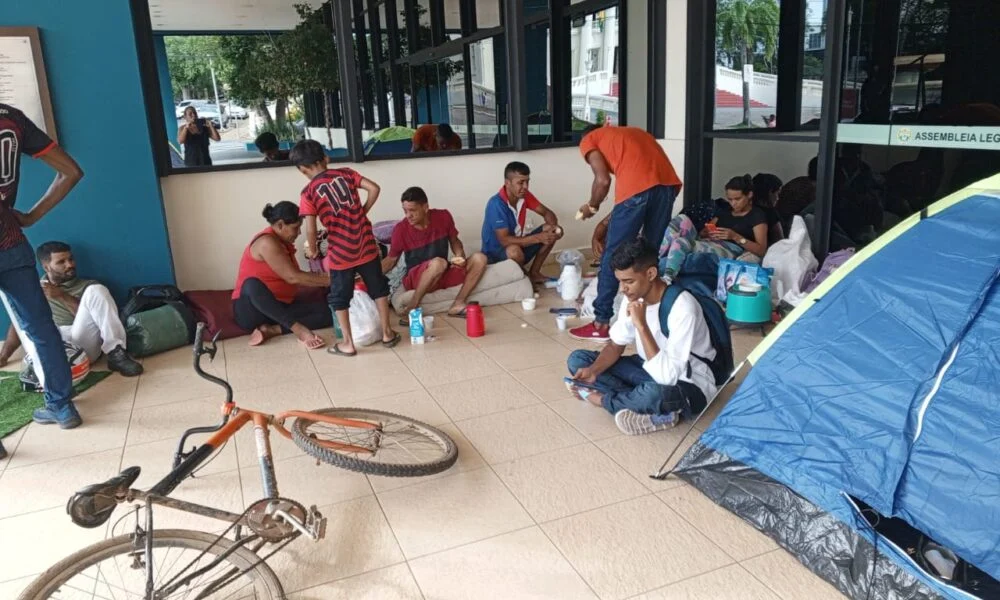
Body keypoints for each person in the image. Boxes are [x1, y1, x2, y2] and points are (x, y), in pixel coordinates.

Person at [565, 239, 717, 436]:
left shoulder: (682, 307)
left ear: (651, 274)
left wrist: (641, 325)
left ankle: (610, 400)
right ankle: (640, 406)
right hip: (648, 369)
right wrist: (594, 371)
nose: (623, 289)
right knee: (579, 360)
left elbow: (667, 376)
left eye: (629, 281)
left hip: (687, 383)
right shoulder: (633, 297)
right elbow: (615, 345)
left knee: (653, 393)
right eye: (620, 281)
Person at [0, 103, 84, 433]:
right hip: (10, 243)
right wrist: (32, 216)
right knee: (41, 329)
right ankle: (62, 407)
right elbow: (71, 172)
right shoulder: (10, 118)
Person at [570, 125, 682, 342]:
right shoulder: (632, 133)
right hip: (667, 187)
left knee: (612, 255)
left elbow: (603, 181)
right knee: (649, 254)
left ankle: (601, 323)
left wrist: (591, 206)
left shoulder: (589, 140)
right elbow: (643, 185)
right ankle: (653, 315)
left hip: (638, 191)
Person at [291, 140, 399, 357]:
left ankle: (348, 343)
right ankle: (387, 332)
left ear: (303, 170)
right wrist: (363, 211)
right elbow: (374, 188)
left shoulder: (308, 192)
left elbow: (311, 228)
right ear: (326, 159)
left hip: (341, 252)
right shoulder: (347, 173)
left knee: (340, 297)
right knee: (378, 287)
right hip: (365, 244)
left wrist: (312, 249)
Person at [0, 241, 142, 378]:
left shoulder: (87, 287)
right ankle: (44, 370)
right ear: (46, 267)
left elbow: (92, 322)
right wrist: (4, 355)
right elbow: (19, 323)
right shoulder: (36, 288)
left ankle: (116, 354)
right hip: (54, 343)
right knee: (21, 307)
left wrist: (61, 295)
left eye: (71, 259)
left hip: (82, 341)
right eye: (61, 262)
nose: (70, 265)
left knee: (97, 290)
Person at [233, 202, 332, 349]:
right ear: (280, 225)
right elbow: (292, 277)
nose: (299, 233)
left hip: (280, 309)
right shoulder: (266, 242)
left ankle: (272, 330)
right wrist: (333, 280)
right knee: (251, 284)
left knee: (328, 312)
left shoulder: (282, 242)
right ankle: (299, 329)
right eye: (295, 228)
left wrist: (328, 278)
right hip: (252, 311)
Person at [382, 187, 488, 319]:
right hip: (416, 278)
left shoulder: (443, 216)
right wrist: (369, 278)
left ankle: (458, 303)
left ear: (425, 207)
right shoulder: (401, 229)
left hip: (442, 273)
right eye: (405, 211)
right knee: (439, 262)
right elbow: (390, 260)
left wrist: (459, 255)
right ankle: (413, 306)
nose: (408, 215)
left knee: (480, 258)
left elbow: (455, 241)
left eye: (412, 210)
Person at [480, 162, 563, 284]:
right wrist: (537, 238)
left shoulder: (524, 195)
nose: (525, 187)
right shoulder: (496, 204)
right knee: (514, 250)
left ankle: (534, 273)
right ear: (508, 183)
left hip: (518, 246)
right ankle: (523, 279)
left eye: (527, 181)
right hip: (495, 256)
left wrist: (553, 229)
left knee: (552, 230)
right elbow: (504, 240)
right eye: (520, 182)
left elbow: (547, 213)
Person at [752, 173, 784, 245]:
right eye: (778, 193)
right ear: (770, 192)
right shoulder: (770, 214)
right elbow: (780, 241)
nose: (778, 198)